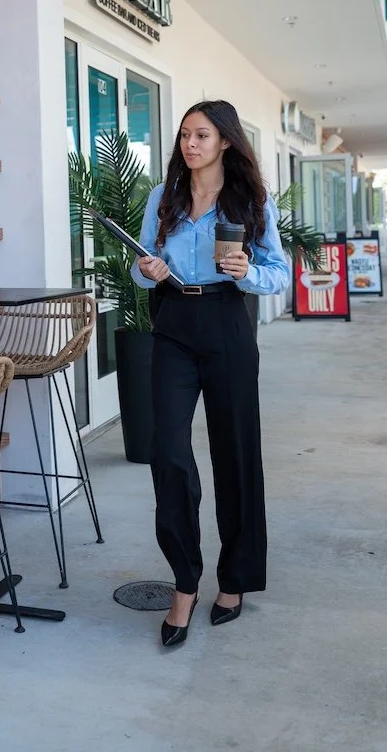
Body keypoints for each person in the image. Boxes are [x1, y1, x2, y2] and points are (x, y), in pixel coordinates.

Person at [131, 100, 289, 647]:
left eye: (200, 135)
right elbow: (142, 264)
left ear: (225, 141)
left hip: (226, 319)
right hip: (174, 320)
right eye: (183, 136)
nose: (189, 144)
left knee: (235, 452)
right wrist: (148, 269)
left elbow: (278, 274)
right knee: (169, 451)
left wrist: (248, 271)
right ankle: (183, 582)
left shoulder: (250, 200)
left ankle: (236, 578)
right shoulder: (164, 197)